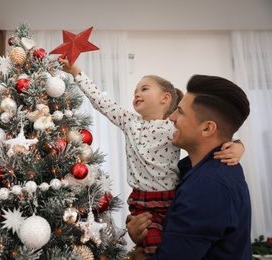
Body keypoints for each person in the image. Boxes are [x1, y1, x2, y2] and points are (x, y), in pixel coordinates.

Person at [59, 58, 245, 256]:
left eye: (144, 89)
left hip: (169, 197)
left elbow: (219, 131)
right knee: (151, 246)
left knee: (160, 249)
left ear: (165, 98)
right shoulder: (130, 122)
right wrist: (77, 73)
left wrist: (238, 145)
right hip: (142, 202)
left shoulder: (172, 129)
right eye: (135, 92)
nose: (137, 94)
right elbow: (101, 102)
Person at [126, 74, 252, 259]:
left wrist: (138, 256)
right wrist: (144, 232)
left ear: (207, 128)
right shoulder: (195, 168)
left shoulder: (207, 186)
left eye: (180, 112)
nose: (172, 117)